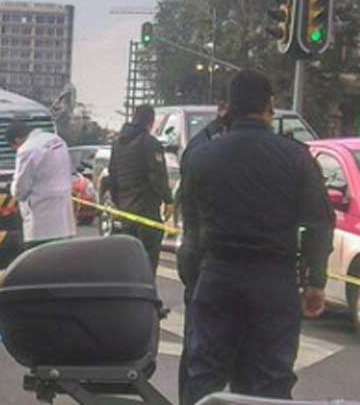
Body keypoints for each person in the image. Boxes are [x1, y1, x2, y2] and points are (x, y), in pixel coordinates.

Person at [182, 70, 334, 404]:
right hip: (273, 282)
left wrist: (197, 280)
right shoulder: (296, 157)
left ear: (228, 108)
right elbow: (320, 223)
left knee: (205, 375)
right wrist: (315, 282)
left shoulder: (201, 157)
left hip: (218, 276)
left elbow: (190, 230)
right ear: (270, 107)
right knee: (270, 381)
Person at [177, 95, 229, 404]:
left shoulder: (205, 144)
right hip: (203, 256)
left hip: (200, 254)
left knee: (199, 346)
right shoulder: (205, 148)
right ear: (223, 107)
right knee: (200, 349)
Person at [107, 104, 172, 273]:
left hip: (126, 214)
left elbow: (112, 178)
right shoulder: (150, 143)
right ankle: (148, 296)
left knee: (130, 264)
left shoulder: (118, 144)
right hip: (147, 211)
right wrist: (168, 200)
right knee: (148, 264)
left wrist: (119, 204)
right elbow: (157, 176)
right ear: (150, 122)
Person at [6, 121, 76, 247]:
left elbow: (20, 190)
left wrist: (12, 188)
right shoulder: (57, 140)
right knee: (63, 258)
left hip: (40, 220)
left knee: (41, 261)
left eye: (13, 147)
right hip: (64, 216)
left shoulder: (26, 149)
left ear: (17, 140)